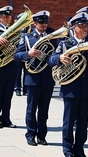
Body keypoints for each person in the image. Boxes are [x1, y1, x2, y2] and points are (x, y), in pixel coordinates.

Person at [48, 12, 88, 157]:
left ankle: (79, 149)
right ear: (74, 28)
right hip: (70, 89)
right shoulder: (66, 44)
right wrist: (59, 57)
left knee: (83, 123)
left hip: (87, 89)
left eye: (86, 26)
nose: (85, 29)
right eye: (82, 26)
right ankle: (67, 149)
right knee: (69, 122)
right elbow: (50, 60)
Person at [14, 10, 56, 146]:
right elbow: (16, 56)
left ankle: (42, 136)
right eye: (41, 23)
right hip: (32, 78)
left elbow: (55, 54)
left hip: (48, 78)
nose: (44, 25)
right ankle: (30, 134)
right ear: (34, 23)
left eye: (46, 22)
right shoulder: (27, 37)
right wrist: (28, 53)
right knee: (31, 109)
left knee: (44, 110)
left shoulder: (52, 36)